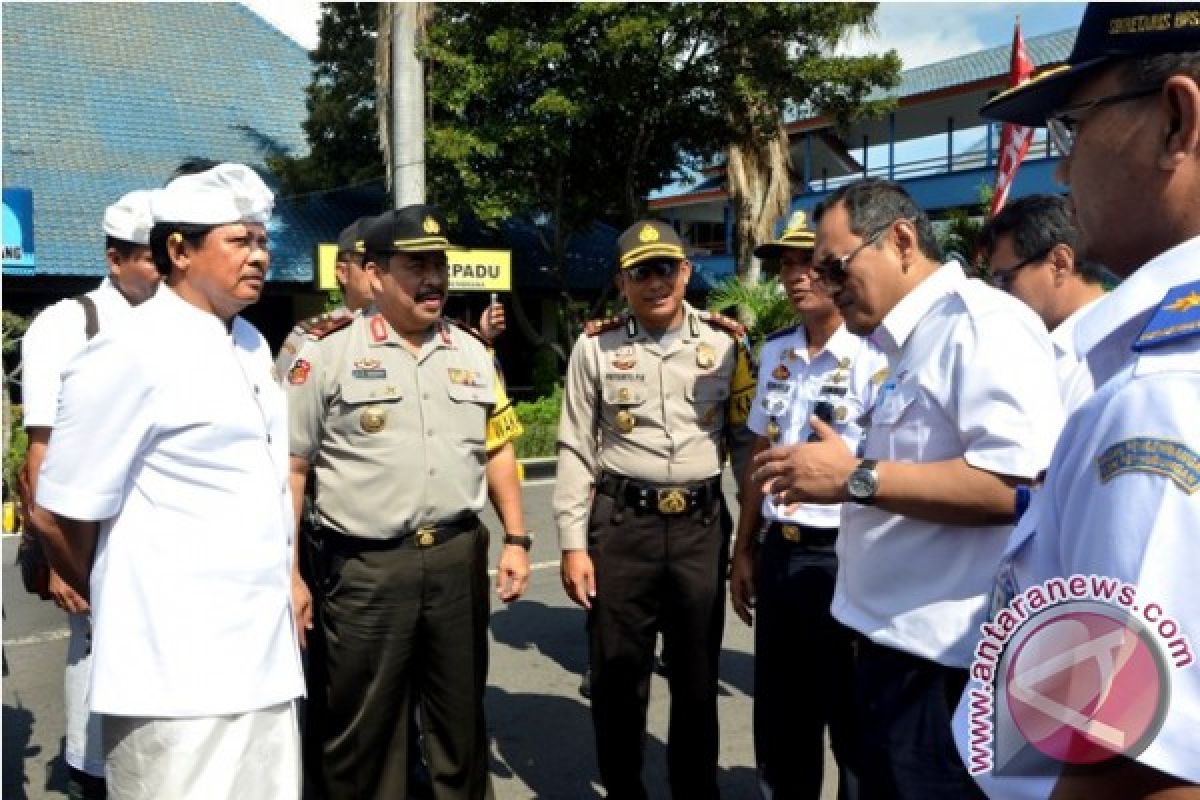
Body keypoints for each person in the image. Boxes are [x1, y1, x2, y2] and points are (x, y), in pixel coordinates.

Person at [750, 178, 1063, 799]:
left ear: (900, 241)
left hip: (943, 666)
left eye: (836, 268)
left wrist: (855, 478)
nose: (830, 288)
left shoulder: (981, 325)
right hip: (891, 653)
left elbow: (1020, 486)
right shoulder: (914, 341)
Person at [955, 4, 1200, 797]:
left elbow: (1131, 766)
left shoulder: (1161, 394)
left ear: (1175, 120)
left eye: (1075, 126)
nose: (1060, 172)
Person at [35, 162, 306, 799]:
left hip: (263, 661)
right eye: (238, 240)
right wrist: (123, 607)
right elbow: (58, 511)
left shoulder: (249, 346)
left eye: (261, 241)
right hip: (173, 677)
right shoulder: (130, 350)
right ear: (180, 249)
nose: (258, 255)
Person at [285, 203, 531, 800]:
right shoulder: (324, 353)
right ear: (375, 272)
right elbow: (291, 469)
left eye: (440, 264)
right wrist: (288, 573)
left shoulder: (472, 352)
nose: (433, 278)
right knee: (365, 734)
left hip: (454, 560)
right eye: (416, 265)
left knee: (458, 723)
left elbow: (497, 450)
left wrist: (518, 540)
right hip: (367, 568)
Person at [555, 219, 756, 799]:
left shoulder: (727, 343)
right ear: (622, 282)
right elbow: (575, 447)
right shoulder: (596, 346)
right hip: (623, 528)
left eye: (665, 268)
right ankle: (625, 791)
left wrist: (750, 539)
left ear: (686, 272)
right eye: (641, 272)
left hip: (700, 528)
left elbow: (744, 446)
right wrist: (572, 543)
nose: (655, 282)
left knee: (697, 681)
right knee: (620, 680)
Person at [730, 211, 885, 800]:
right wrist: (744, 548)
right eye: (786, 265)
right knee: (782, 719)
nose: (796, 276)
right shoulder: (777, 354)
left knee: (850, 718)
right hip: (781, 554)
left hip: (843, 557)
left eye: (807, 262)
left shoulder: (875, 356)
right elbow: (760, 459)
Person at [20, 189, 161, 800]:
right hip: (90, 535)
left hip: (162, 536)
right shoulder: (68, 326)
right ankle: (87, 775)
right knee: (95, 651)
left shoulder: (188, 327)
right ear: (114, 259)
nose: (164, 268)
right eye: (151, 257)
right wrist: (56, 557)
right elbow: (42, 455)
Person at [977, 193, 1112, 410]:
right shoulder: (1041, 347)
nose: (996, 293)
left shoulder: (1104, 356)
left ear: (1059, 264)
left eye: (1003, 279)